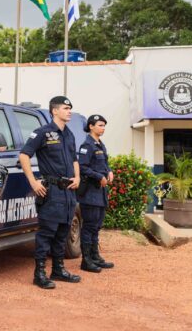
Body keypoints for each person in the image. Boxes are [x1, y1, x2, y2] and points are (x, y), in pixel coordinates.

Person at [20, 96, 81, 289]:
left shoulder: (69, 134)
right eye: (65, 108)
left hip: (68, 192)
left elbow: (74, 159)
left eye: (70, 108)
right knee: (46, 234)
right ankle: (39, 274)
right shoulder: (42, 133)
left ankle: (58, 270)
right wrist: (33, 182)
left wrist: (77, 177)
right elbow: (24, 155)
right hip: (51, 191)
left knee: (63, 233)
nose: (69, 111)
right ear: (54, 111)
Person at [77, 114, 115, 272]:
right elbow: (82, 167)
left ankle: (95, 257)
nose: (103, 128)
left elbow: (105, 163)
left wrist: (109, 171)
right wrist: (99, 176)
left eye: (104, 125)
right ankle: (86, 261)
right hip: (90, 192)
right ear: (91, 126)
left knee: (97, 225)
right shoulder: (87, 145)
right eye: (100, 125)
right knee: (89, 226)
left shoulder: (100, 144)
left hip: (100, 192)